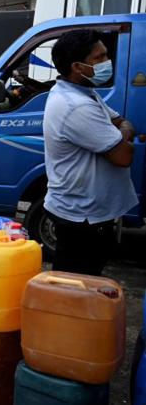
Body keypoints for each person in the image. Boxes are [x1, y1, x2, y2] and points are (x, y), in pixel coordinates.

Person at [44, 29, 138, 276]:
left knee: (80, 286)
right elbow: (124, 156)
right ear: (78, 66)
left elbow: (123, 122)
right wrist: (121, 134)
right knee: (74, 289)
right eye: (100, 57)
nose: (108, 62)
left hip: (89, 214)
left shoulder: (86, 93)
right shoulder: (76, 106)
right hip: (82, 219)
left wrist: (119, 132)